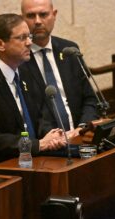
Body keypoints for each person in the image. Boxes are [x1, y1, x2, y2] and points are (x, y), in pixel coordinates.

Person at [0, 13, 66, 162]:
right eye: (21, 38)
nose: (29, 43)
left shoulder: (26, 70)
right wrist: (37, 145)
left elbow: (41, 114)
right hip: (7, 163)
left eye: (29, 37)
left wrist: (50, 136)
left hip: (38, 156)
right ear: (0, 44)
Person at [20, 0, 98, 136]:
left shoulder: (69, 50)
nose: (37, 21)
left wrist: (83, 128)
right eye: (31, 16)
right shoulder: (17, 59)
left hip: (80, 135)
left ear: (54, 15)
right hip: (47, 145)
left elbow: (90, 99)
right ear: (22, 19)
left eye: (43, 14)